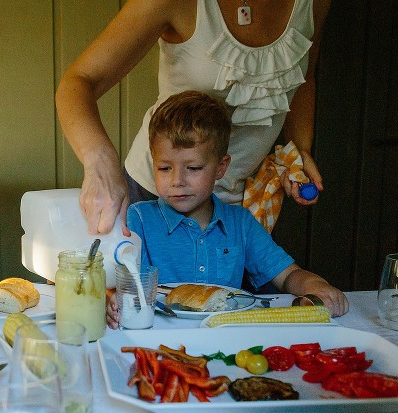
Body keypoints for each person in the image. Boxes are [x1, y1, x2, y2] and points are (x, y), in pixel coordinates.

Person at [56, 0, 331, 236]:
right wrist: (100, 162)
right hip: (153, 196)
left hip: (243, 205)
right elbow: (78, 82)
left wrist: (299, 150)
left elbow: (304, 78)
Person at [106, 91, 347, 328]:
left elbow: (288, 275)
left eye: (194, 168)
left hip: (227, 340)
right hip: (157, 341)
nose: (177, 180)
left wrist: (314, 285)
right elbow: (118, 283)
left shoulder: (240, 223)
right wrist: (112, 299)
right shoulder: (138, 219)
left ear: (221, 167)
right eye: (165, 168)